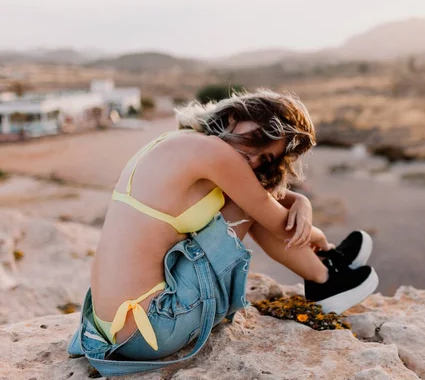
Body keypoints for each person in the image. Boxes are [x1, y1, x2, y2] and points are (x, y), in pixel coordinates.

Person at [67, 89, 378, 376]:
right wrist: (318, 237)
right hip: (154, 327)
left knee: (250, 200)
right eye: (256, 141)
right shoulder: (218, 154)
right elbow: (264, 210)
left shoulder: (177, 142)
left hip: (112, 327)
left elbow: (257, 195)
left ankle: (325, 266)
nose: (254, 159)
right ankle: (326, 279)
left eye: (266, 158)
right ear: (233, 117)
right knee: (250, 205)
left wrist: (301, 201)